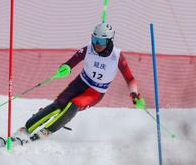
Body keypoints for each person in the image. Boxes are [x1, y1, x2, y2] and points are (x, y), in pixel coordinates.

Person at [12, 22, 144, 142]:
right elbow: (71, 63)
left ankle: (46, 131)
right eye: (95, 39)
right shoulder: (88, 49)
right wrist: (65, 68)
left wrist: (134, 94)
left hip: (96, 92)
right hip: (80, 83)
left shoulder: (117, 57)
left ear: (109, 41)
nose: (97, 45)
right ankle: (26, 129)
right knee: (58, 104)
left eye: (101, 42)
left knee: (73, 104)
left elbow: (130, 78)